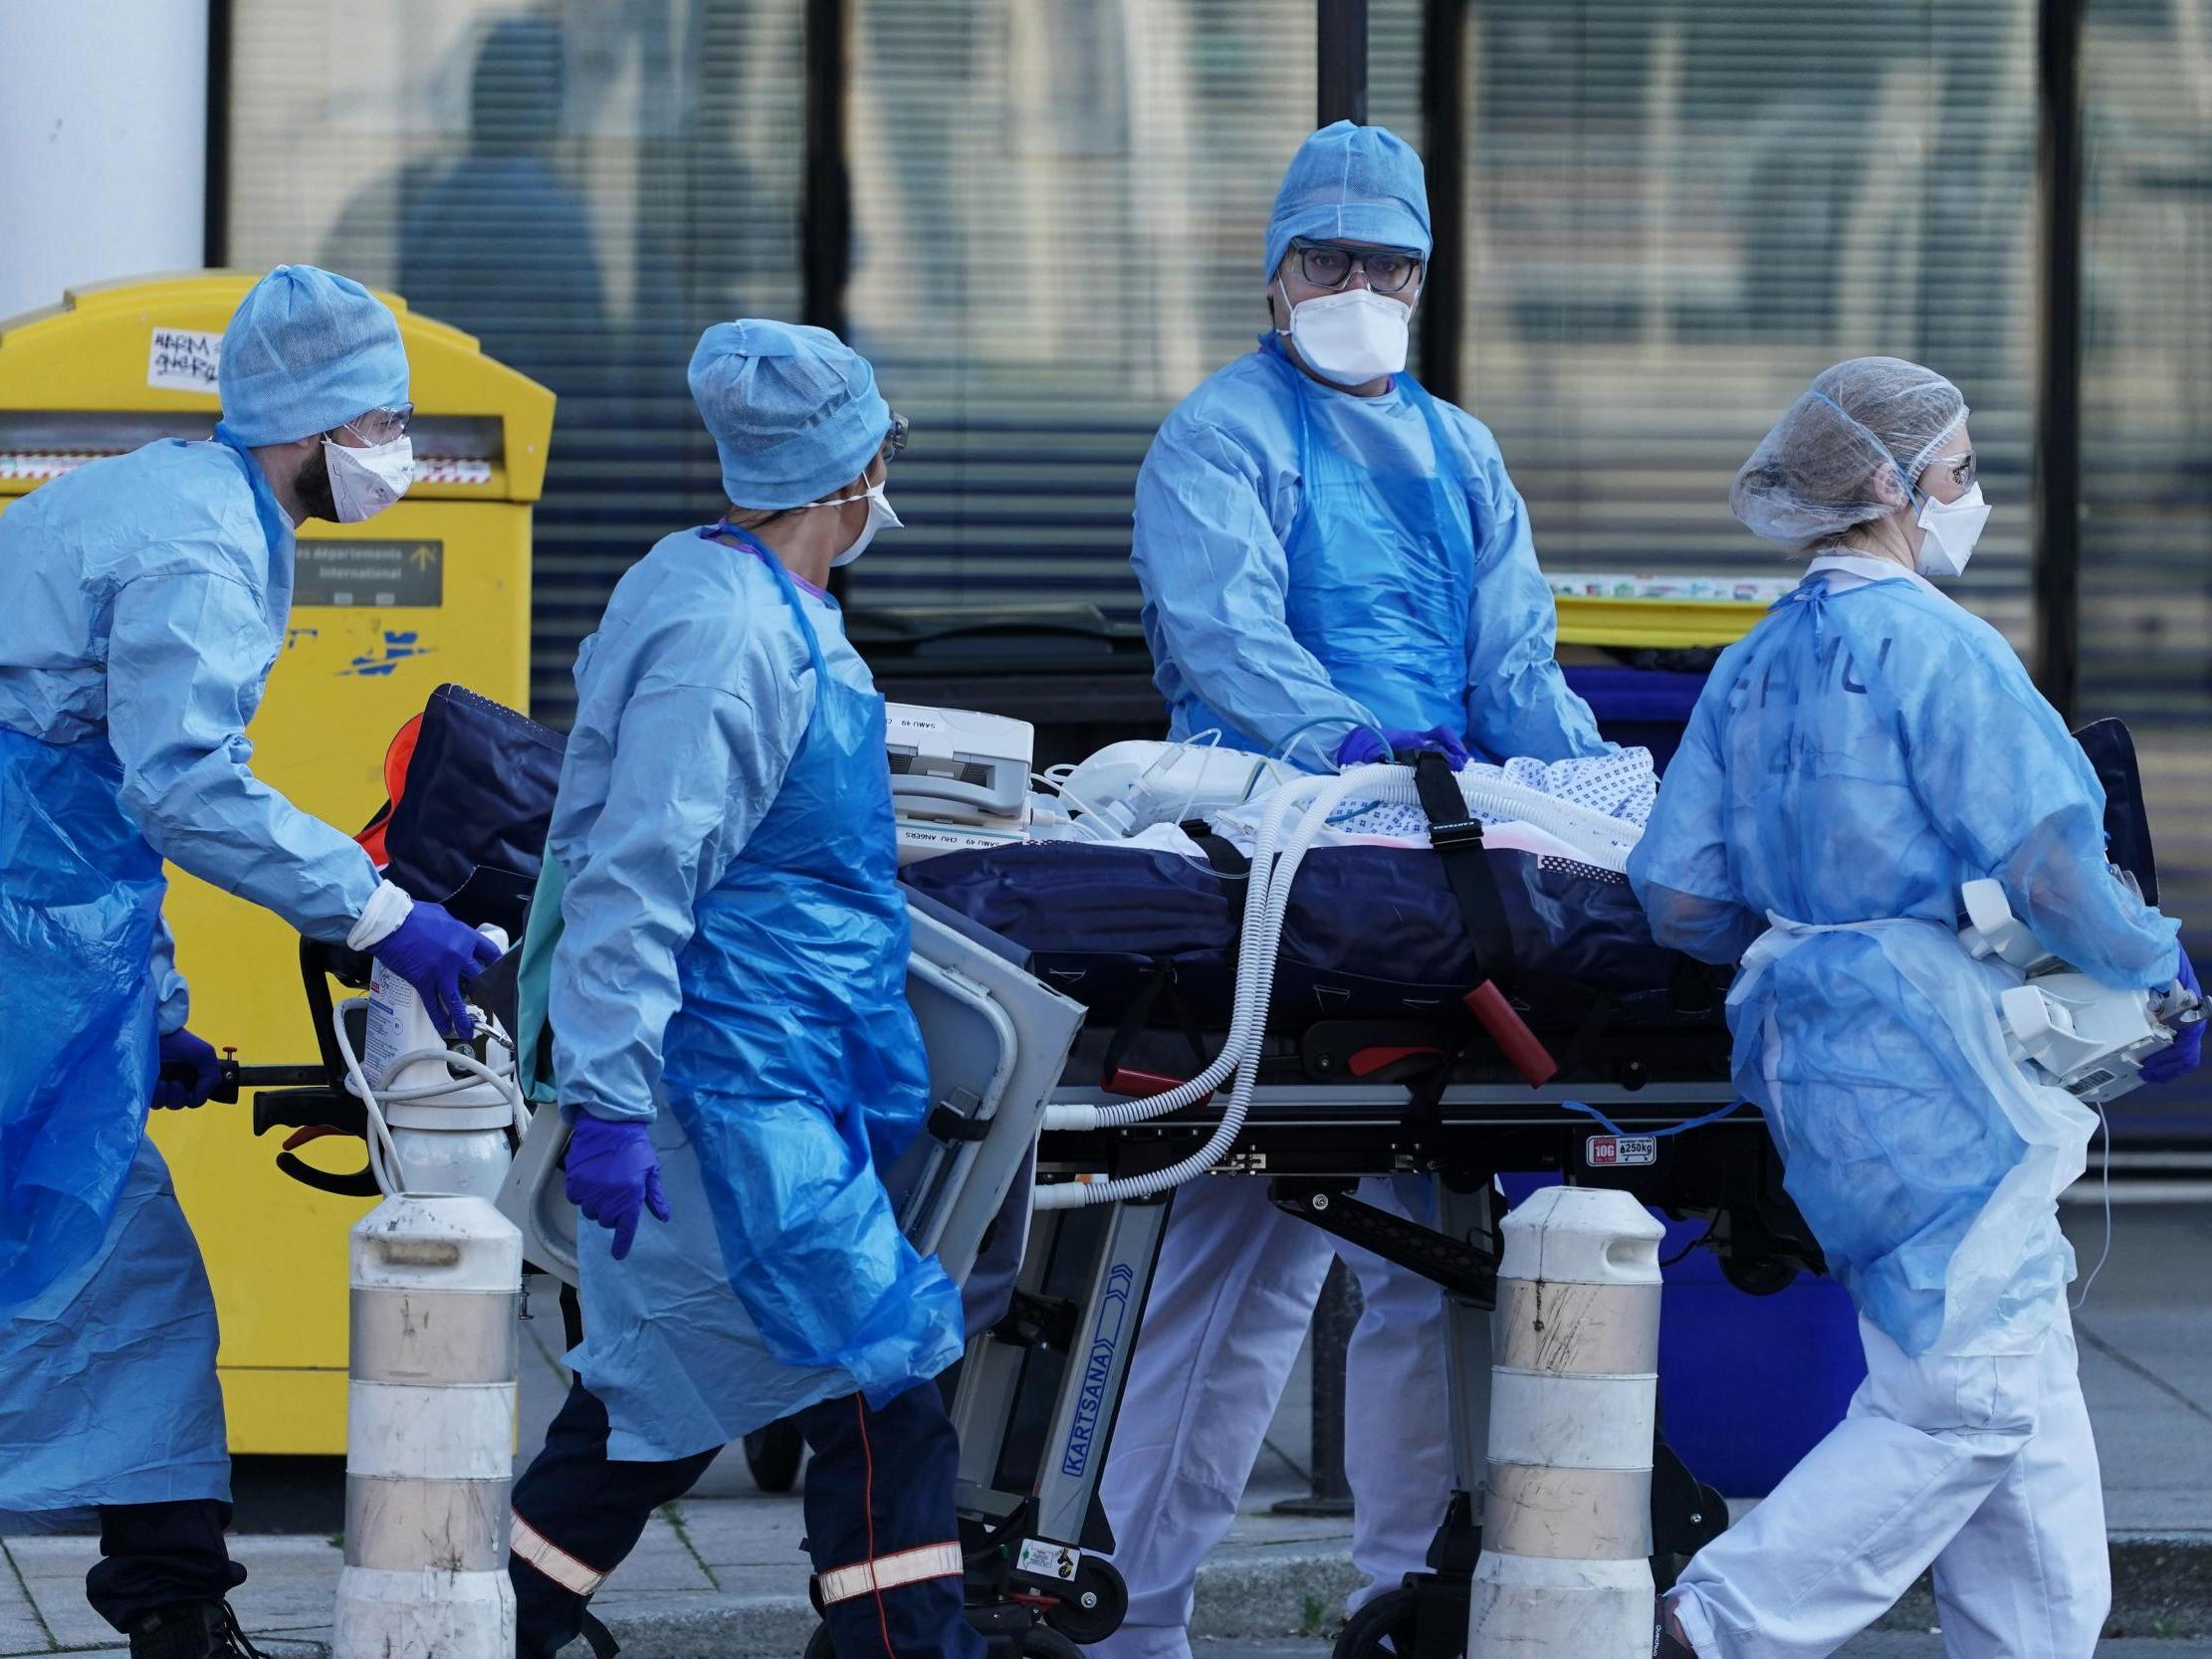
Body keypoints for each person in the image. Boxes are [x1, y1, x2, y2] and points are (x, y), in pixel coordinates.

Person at [1101, 121, 1614, 1659]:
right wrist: (1346, 747)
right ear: (1272, 277)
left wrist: (1582, 795)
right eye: (1328, 259)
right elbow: (1223, 637)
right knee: (1230, 1269)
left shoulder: (1464, 450)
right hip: (1294, 851)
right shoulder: (1219, 435)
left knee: (1432, 1265)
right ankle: (1128, 1616)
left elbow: (1516, 666)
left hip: (1443, 864)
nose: (1359, 287)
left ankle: (1405, 1603)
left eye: (1389, 264)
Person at [1630, 355, 2202, 1659]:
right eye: (1955, 472)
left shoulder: (1757, 663)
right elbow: (2056, 866)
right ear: (1888, 486)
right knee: (1963, 1398)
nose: (1967, 495)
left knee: (2028, 1407)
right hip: (1933, 1060)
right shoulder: (1940, 650)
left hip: (1807, 1044)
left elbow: (1675, 896)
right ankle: (1708, 1628)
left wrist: (1814, 921)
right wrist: (2154, 963)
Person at [0, 265, 500, 1659]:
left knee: (121, 1286)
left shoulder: (172, 497)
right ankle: (174, 1618)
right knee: (119, 1284)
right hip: (22, 953)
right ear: (318, 420)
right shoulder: (204, 548)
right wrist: (387, 917)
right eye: (387, 421)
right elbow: (183, 792)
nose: (398, 453)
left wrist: (151, 1011)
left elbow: (90, 810)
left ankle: (175, 1615)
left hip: (44, 951)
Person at [505, 320, 977, 1659]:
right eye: (883, 451)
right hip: (724, 1085)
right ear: (849, 470)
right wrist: (602, 1094)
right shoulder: (727, 633)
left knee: (657, 1394)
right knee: (881, 1369)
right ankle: (903, 1648)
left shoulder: (737, 596)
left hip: (763, 1067)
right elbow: (633, 873)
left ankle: (474, 1626)